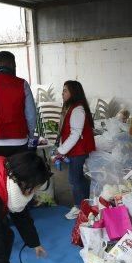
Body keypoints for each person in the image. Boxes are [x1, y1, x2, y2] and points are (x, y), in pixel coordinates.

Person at [52, 80, 96, 220]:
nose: (62, 93)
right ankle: (85, 202)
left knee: (74, 179)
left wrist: (62, 150)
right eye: (63, 90)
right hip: (75, 149)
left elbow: (75, 133)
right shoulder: (71, 107)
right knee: (78, 178)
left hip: (78, 150)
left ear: (73, 93)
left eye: (65, 90)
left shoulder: (77, 109)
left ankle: (78, 207)